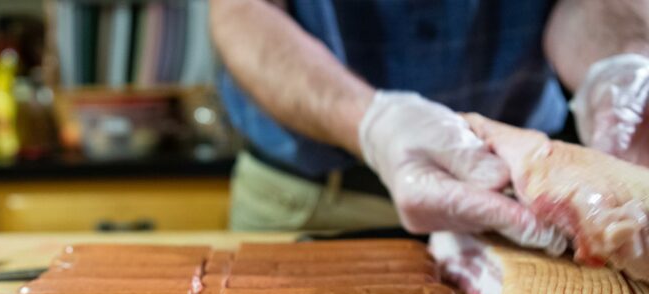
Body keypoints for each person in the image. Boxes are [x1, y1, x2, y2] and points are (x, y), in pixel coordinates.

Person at [210, 0, 649, 252]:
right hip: (309, 200)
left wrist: (616, 65)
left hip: (530, 199)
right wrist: (372, 123)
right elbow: (243, 10)